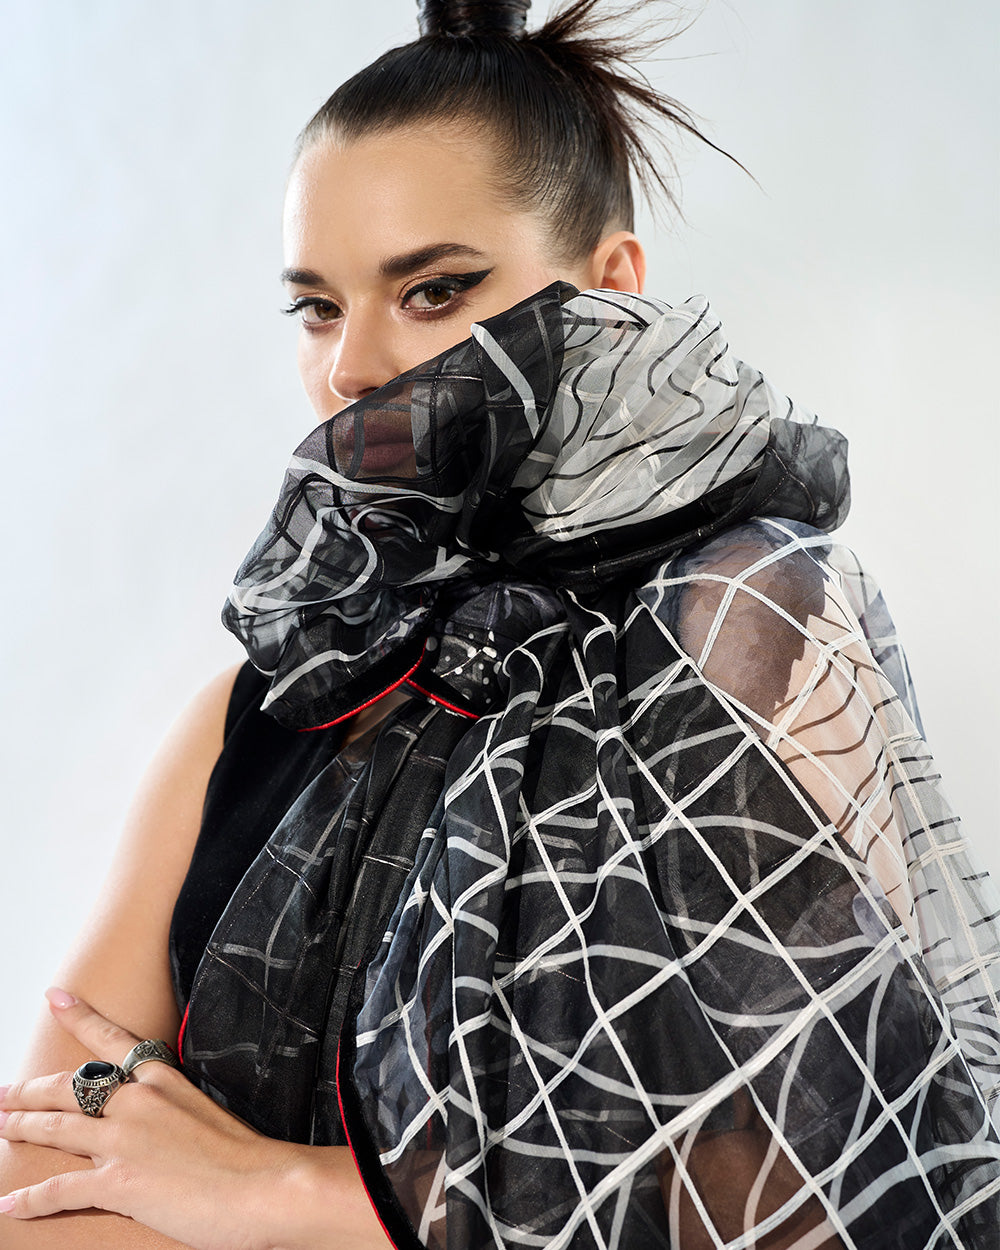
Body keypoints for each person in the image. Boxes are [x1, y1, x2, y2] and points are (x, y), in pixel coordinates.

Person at [1, 1, 999, 1247]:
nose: (351, 367)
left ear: (609, 287)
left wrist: (266, 1192)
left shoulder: (750, 625)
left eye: (433, 289)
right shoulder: (265, 706)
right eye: (317, 306)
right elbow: (33, 1192)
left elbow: (826, 1188)